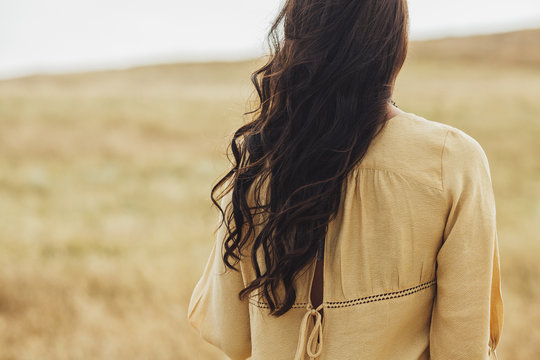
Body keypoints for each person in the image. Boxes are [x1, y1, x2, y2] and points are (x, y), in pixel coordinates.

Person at [187, 0, 503, 359]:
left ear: (297, 38)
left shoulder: (258, 158)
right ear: (392, 43)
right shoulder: (451, 160)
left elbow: (234, 338)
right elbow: (463, 350)